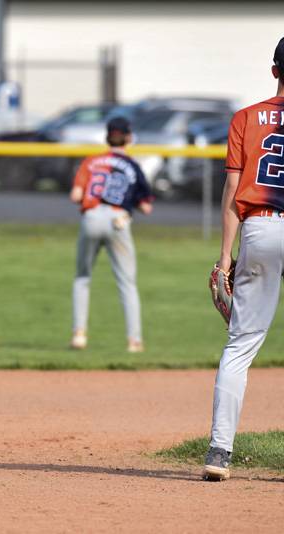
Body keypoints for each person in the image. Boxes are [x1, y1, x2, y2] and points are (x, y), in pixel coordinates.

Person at [203, 37, 284, 482]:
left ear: (275, 70)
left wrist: (224, 257)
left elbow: (233, 193)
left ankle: (219, 451)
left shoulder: (247, 118)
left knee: (240, 344)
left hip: (262, 227)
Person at [68, 117, 154, 353]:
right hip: (119, 220)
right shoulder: (133, 166)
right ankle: (134, 341)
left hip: (91, 218)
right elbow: (147, 208)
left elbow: (75, 196)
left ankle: (79, 335)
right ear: (128, 137)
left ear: (107, 136)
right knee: (127, 283)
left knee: (82, 277)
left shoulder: (91, 161)